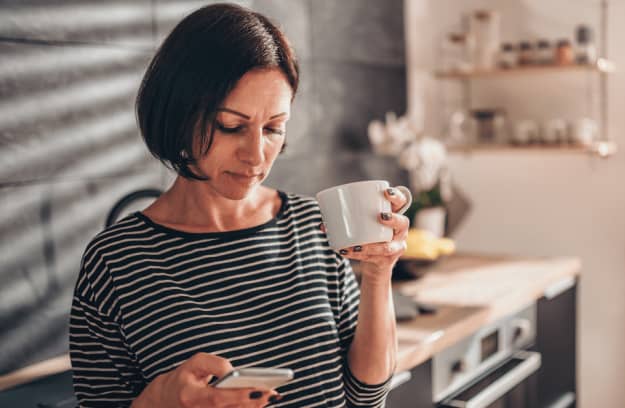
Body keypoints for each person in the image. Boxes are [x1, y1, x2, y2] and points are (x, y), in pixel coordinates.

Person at [68, 3, 408, 407]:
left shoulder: (312, 226)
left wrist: (377, 275)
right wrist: (161, 399)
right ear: (179, 113)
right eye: (231, 126)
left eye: (273, 128)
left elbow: (366, 395)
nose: (256, 154)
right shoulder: (116, 261)